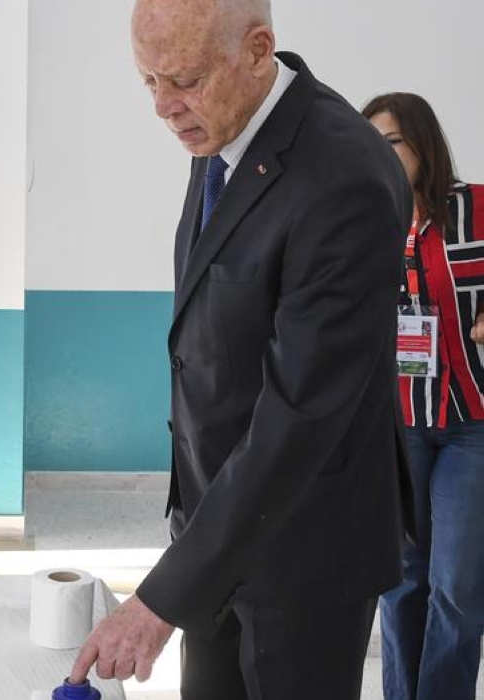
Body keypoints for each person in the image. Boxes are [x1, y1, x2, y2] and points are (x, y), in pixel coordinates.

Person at [70, 1, 413, 698]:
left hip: (305, 555)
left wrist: (161, 598)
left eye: (184, 79)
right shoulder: (221, 130)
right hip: (217, 537)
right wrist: (192, 557)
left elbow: (300, 413)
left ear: (258, 50)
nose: (164, 106)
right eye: (149, 81)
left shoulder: (344, 175)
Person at [362, 92, 484, 700]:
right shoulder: (360, 221)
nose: (378, 155)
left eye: (391, 142)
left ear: (422, 144)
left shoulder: (476, 207)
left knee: (457, 585)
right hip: (397, 420)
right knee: (401, 578)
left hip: (472, 421)